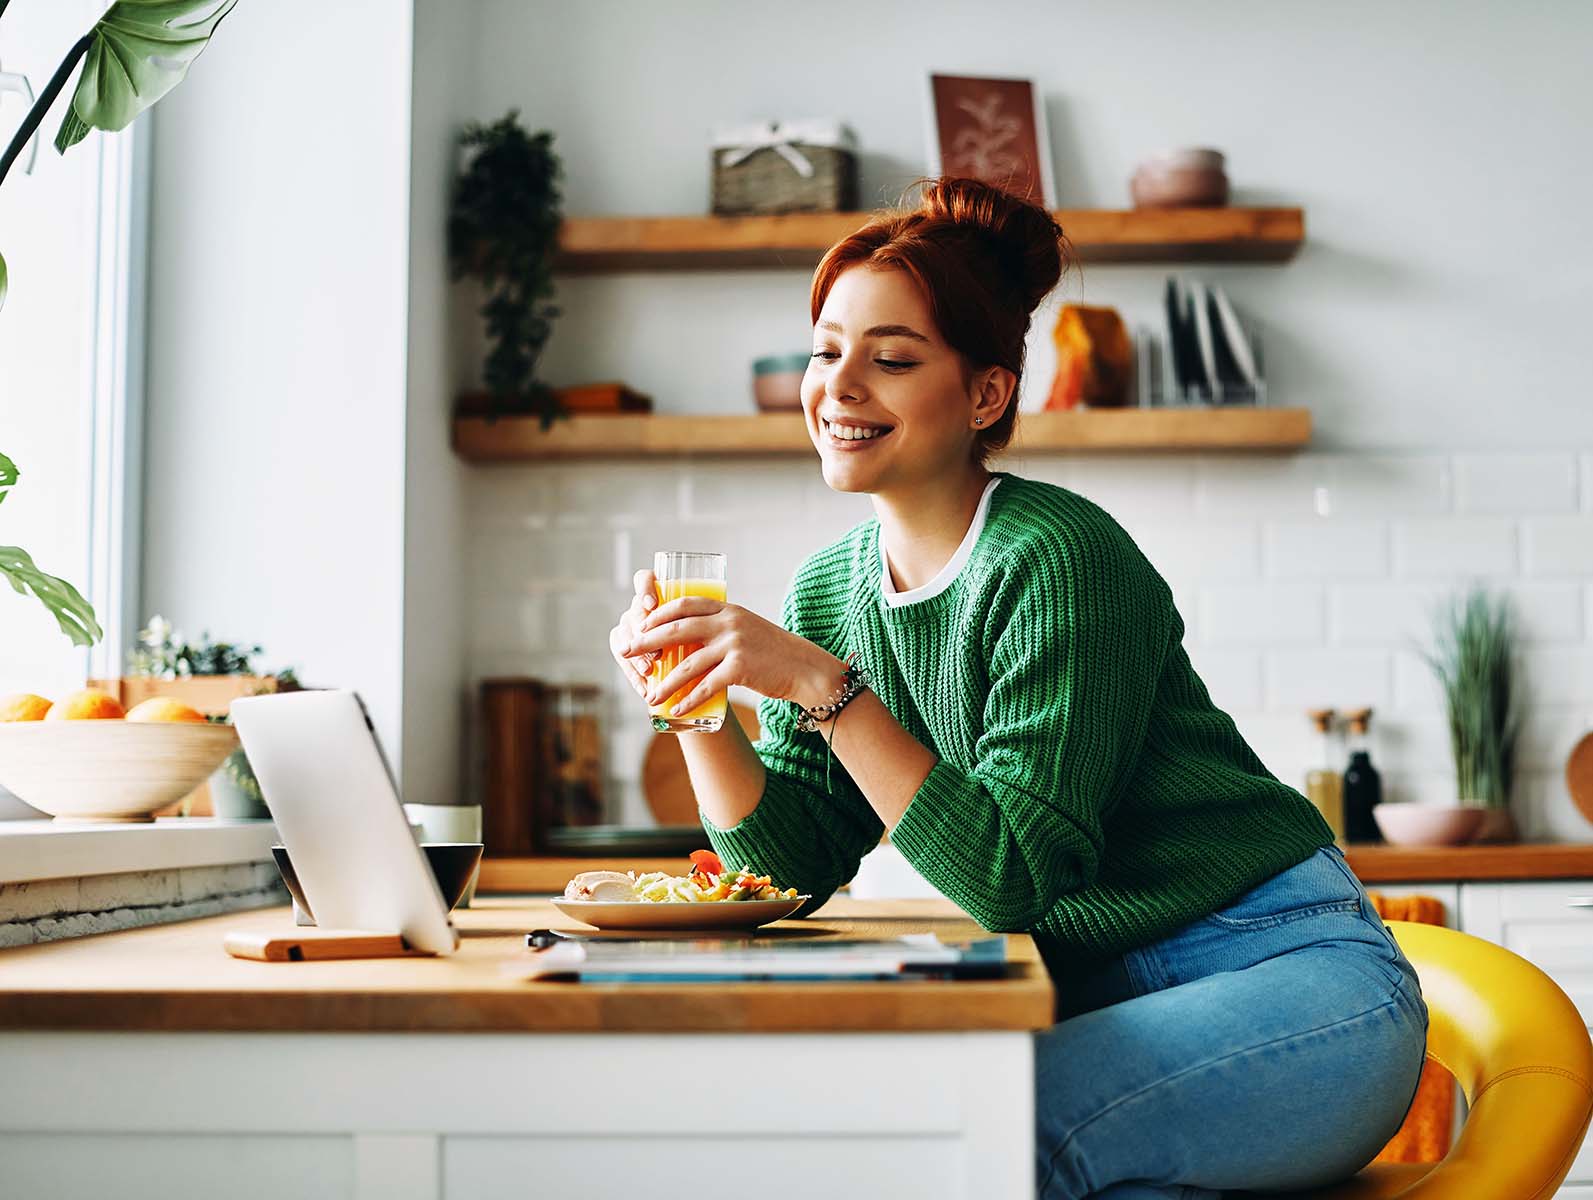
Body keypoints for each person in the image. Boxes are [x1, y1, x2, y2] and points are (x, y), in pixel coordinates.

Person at [608, 176, 1427, 1199]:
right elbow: (789, 867)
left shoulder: (1060, 559)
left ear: (987, 394)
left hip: (1292, 979)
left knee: (986, 1140)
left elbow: (1009, 876)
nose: (840, 384)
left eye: (891, 358)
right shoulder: (830, 588)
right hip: (1110, 994)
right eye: (826, 351)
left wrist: (819, 682)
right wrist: (693, 701)